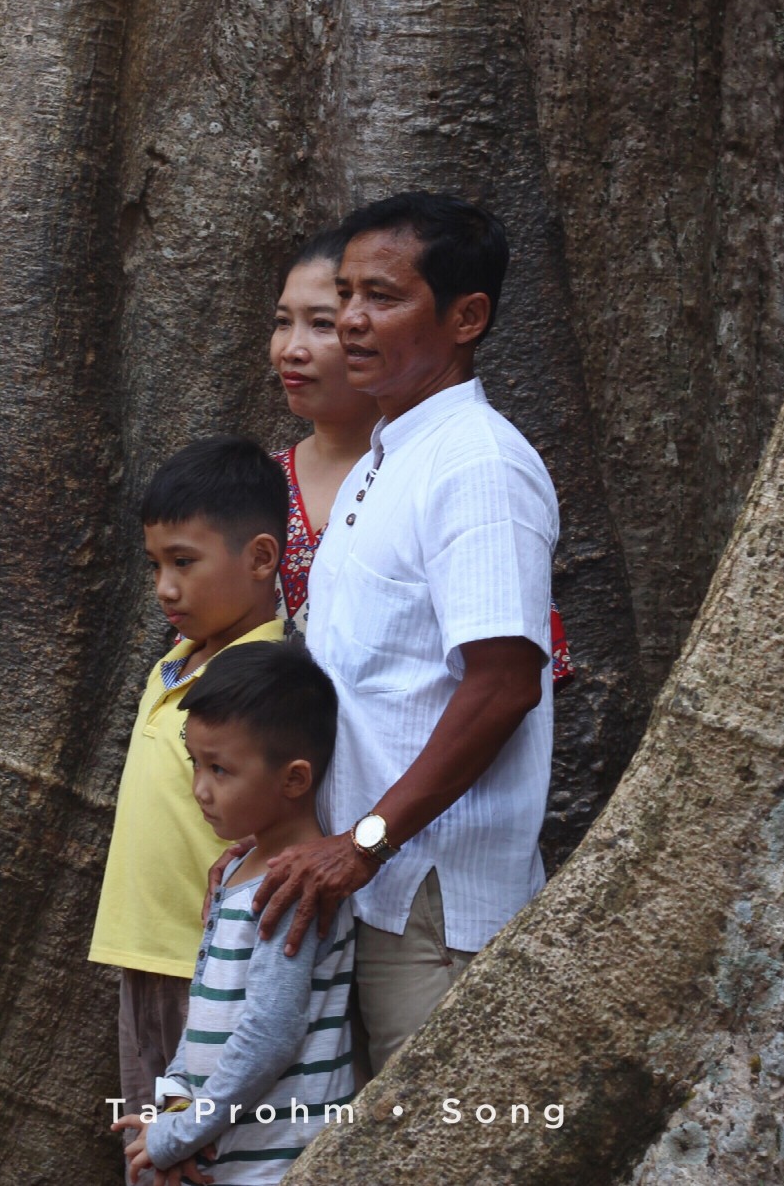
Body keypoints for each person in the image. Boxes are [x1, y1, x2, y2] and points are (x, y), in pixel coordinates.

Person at [253, 192, 558, 1077]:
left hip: (434, 898)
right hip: (369, 891)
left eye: (381, 298)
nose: (350, 320)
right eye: (344, 293)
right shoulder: (384, 459)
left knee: (439, 1137)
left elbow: (503, 683)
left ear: (467, 318)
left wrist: (365, 843)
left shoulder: (479, 464)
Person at [89, 437, 291, 1174]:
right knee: (152, 1157)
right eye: (155, 566)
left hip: (213, 973)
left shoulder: (269, 681)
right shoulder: (174, 664)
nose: (165, 588)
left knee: (209, 1158)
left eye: (184, 561)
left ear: (262, 558)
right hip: (141, 960)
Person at [269, 229, 573, 680]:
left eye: (321, 323)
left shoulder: (459, 472)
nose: (292, 349)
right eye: (281, 322)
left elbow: (505, 678)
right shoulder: (255, 483)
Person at [112, 642, 355, 1186]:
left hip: (273, 1165)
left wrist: (178, 1135)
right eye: (195, 761)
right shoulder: (238, 870)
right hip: (221, 1158)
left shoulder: (293, 887)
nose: (200, 787)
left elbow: (270, 1032)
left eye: (220, 769)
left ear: (295, 779)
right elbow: (202, 1025)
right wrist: (175, 1123)